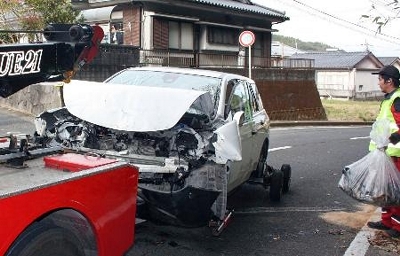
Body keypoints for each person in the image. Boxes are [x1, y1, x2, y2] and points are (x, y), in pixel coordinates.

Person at [367, 65, 400, 238]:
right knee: (387, 189)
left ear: (389, 81)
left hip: (397, 153)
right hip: (388, 153)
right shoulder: (389, 99)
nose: (378, 82)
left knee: (396, 190)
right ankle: (387, 221)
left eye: (380, 79)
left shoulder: (397, 99)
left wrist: (391, 139)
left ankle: (398, 227)